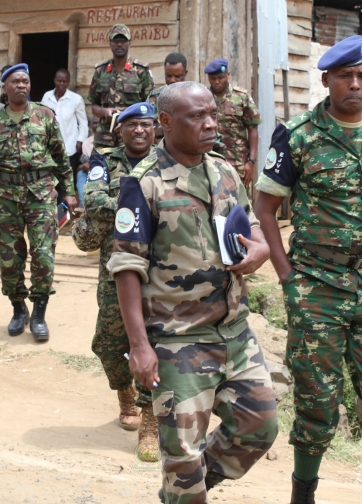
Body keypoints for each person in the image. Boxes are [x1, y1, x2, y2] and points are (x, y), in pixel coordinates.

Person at [252, 35, 362, 504]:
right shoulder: (299, 136)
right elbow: (265, 206)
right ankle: (303, 492)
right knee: (317, 401)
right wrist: (287, 276)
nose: (355, 84)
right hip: (317, 286)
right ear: (327, 81)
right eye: (345, 77)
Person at [109, 81, 276, 503]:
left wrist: (260, 248)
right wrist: (139, 346)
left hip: (233, 332)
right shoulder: (143, 183)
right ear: (165, 122)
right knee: (181, 456)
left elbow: (249, 225)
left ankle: (183, 487)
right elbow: (127, 267)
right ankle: (185, 485)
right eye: (197, 116)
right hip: (177, 340)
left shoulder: (224, 171)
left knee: (260, 426)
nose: (210, 124)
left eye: (213, 115)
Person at [0, 64, 77, 341]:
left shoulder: (44, 115)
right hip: (6, 197)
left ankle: (39, 313)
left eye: (25, 81)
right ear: (4, 88)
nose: (22, 85)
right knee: (9, 259)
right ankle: (19, 309)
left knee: (43, 255)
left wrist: (68, 191)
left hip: (41, 196)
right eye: (16, 81)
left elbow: (61, 156)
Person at [83, 102, 158, 455]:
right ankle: (124, 393)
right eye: (132, 125)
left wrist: (129, 211)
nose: (139, 130)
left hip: (159, 263)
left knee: (155, 339)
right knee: (110, 342)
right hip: (113, 263)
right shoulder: (104, 160)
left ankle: (150, 418)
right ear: (120, 130)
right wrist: (146, 211)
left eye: (146, 124)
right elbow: (95, 201)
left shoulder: (166, 158)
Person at [85, 24, 154, 148]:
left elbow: (149, 106)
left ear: (129, 43)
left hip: (132, 135)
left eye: (123, 40)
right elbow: (94, 107)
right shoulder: (100, 71)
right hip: (105, 137)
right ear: (110, 43)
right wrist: (104, 112)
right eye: (116, 40)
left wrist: (128, 119)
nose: (119, 44)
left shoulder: (141, 71)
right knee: (100, 167)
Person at [206, 58, 261, 186]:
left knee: (240, 202)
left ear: (228, 75)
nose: (217, 82)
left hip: (238, 163)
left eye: (221, 78)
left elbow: (253, 128)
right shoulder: (203, 97)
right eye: (213, 79)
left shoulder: (242, 97)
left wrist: (251, 161)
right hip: (209, 161)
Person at [41, 67, 88, 186]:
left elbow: (83, 123)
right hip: (49, 148)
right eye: (59, 81)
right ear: (54, 80)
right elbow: (39, 118)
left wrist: (80, 141)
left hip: (69, 147)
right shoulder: (46, 97)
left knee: (66, 181)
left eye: (65, 81)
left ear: (69, 82)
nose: (62, 83)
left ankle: (64, 203)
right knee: (49, 180)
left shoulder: (76, 99)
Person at [147, 52, 188, 141]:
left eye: (177, 76)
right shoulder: (154, 97)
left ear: (185, 73)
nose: (172, 80)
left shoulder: (195, 97)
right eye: (168, 76)